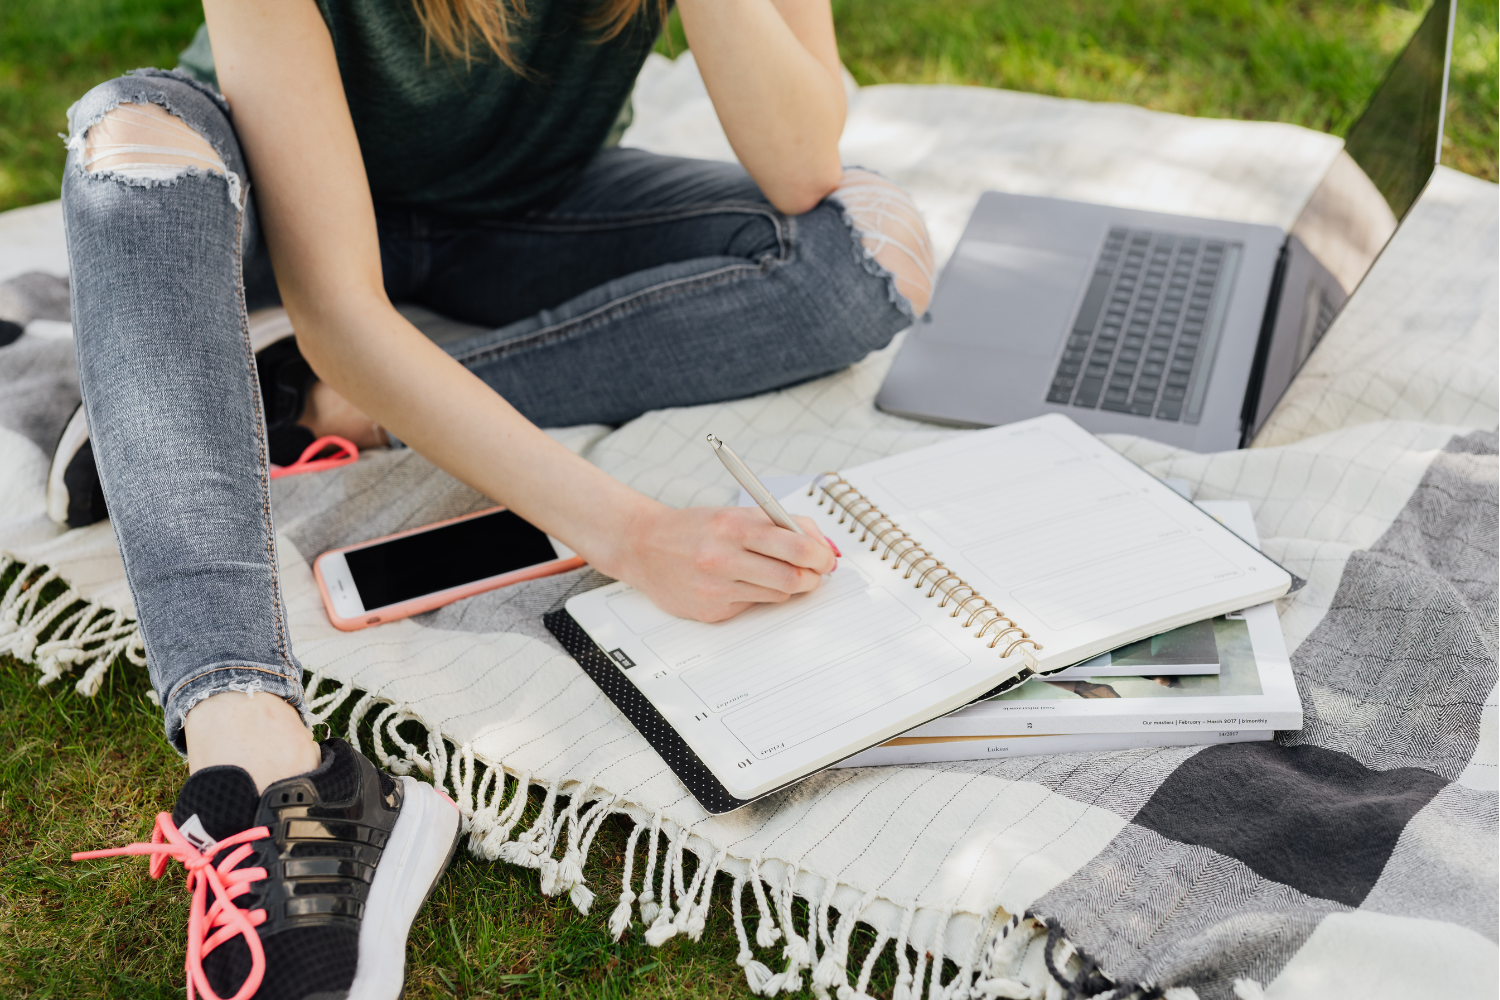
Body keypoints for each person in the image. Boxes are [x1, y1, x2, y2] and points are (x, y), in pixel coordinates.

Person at [59, 0, 934, 995]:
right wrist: (635, 532)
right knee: (132, 133)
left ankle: (258, 393)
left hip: (522, 214)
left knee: (870, 253)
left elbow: (802, 164)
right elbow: (341, 308)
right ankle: (267, 769)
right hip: (265, 201)